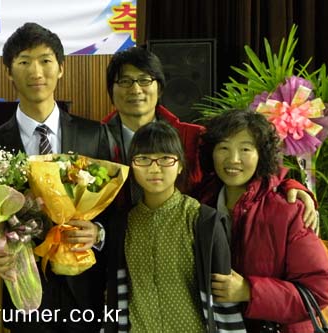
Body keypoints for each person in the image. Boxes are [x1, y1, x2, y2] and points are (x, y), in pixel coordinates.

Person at [102, 46, 317, 333]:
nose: (135, 89)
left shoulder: (192, 136)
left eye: (145, 80)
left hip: (200, 284)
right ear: (112, 89)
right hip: (130, 271)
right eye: (125, 81)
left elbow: (245, 167)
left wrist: (293, 185)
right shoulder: (95, 139)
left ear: (160, 86)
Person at [0, 23, 109, 333]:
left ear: (61, 69)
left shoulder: (94, 135)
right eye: (24, 61)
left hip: (84, 291)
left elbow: (114, 208)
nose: (35, 71)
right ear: (9, 71)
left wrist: (98, 233)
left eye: (45, 60)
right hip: (24, 290)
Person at [199, 109, 328, 332]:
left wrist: (249, 290)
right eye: (223, 148)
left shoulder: (288, 210)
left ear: (262, 155)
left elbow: (320, 289)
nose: (233, 159)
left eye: (245, 149)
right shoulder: (200, 202)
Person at [123, 121, 245, 333]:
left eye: (165, 159)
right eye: (143, 159)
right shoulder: (123, 224)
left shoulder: (203, 221)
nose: (154, 168)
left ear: (180, 165)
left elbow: (223, 298)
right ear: (131, 166)